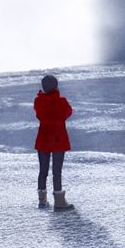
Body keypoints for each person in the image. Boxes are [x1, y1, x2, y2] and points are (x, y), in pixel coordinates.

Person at [34, 73, 73, 211]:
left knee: (42, 170)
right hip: (58, 139)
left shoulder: (38, 101)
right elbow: (68, 113)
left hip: (43, 139)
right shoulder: (61, 102)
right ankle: (59, 201)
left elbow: (39, 114)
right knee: (57, 171)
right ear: (56, 86)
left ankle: (42, 201)